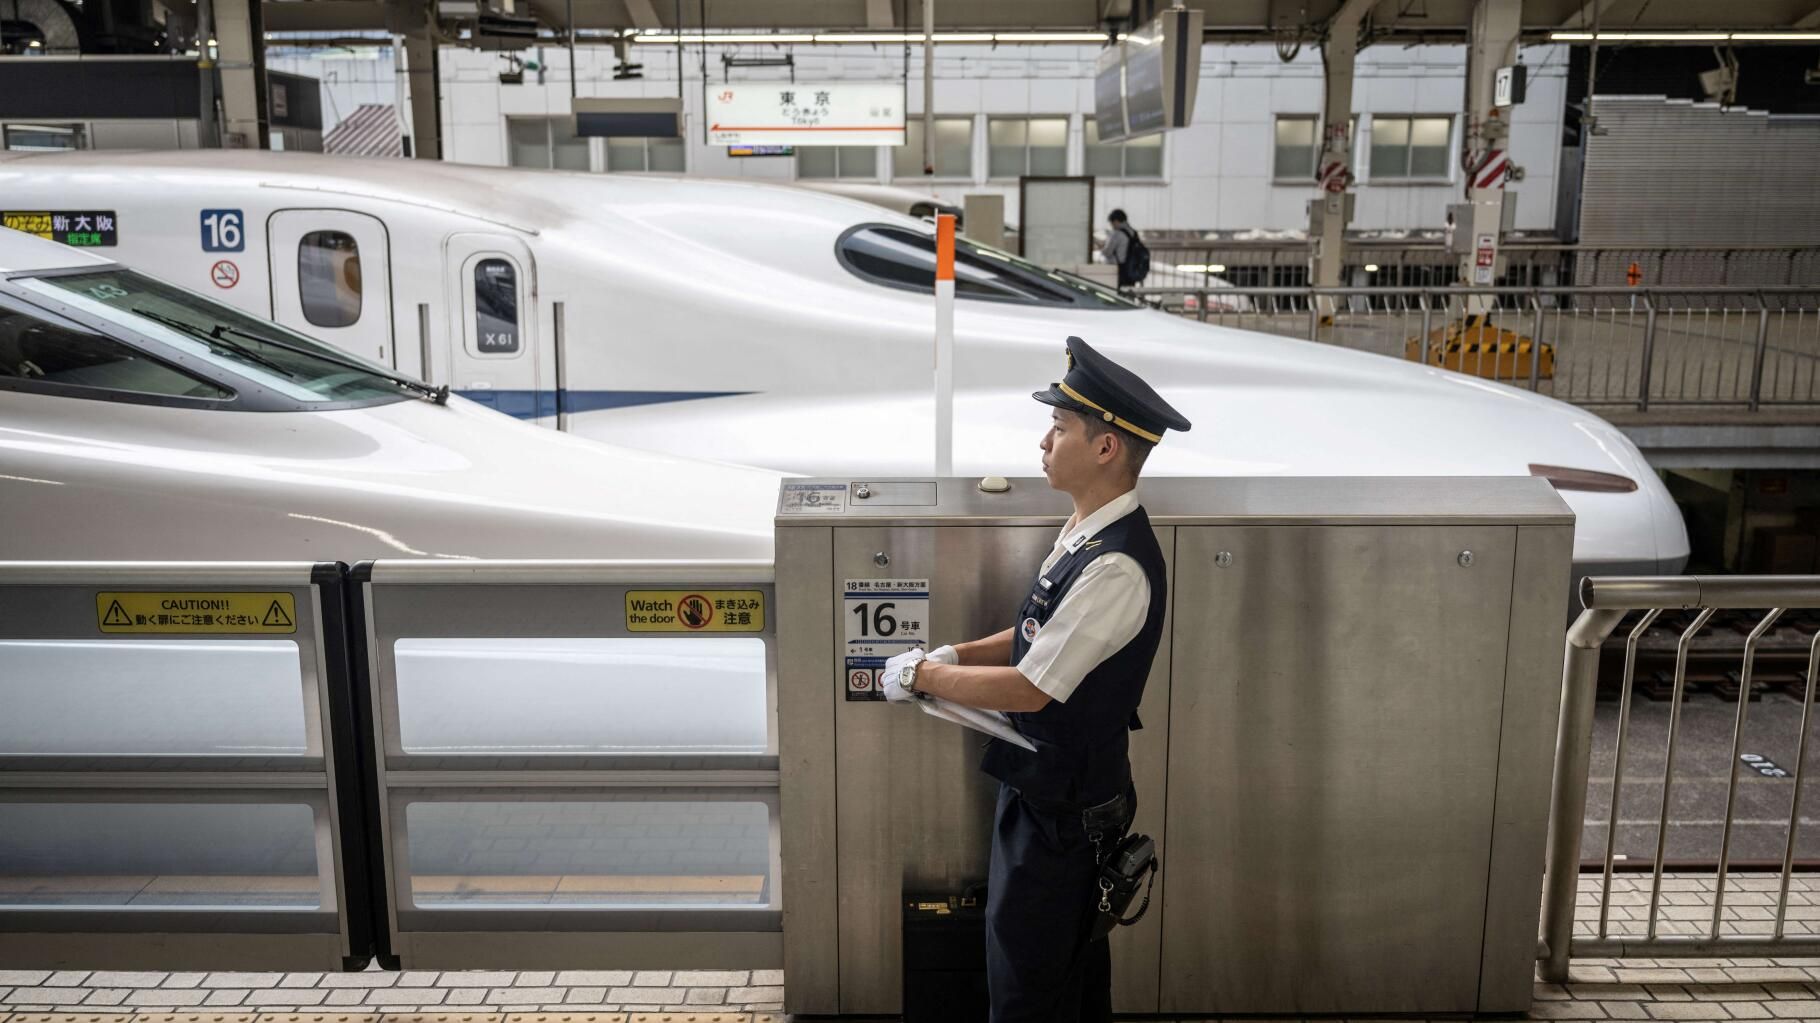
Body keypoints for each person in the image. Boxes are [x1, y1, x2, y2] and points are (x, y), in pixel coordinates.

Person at [876, 335, 1191, 1023]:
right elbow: (1033, 641)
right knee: (1057, 977)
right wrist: (955, 655)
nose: (1044, 441)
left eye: (1059, 427)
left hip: (1066, 818)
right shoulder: (1085, 529)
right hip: (1048, 793)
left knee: (1030, 988)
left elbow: (1030, 686)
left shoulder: (1115, 567)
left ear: (1105, 448)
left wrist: (925, 675)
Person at [1098, 209, 1147, 290]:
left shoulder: (1117, 234)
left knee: (1117, 295)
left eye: (1112, 223)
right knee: (1128, 294)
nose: (1112, 226)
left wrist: (1101, 247)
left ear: (1116, 221)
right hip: (1131, 269)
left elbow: (1107, 252)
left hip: (1118, 270)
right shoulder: (1133, 233)